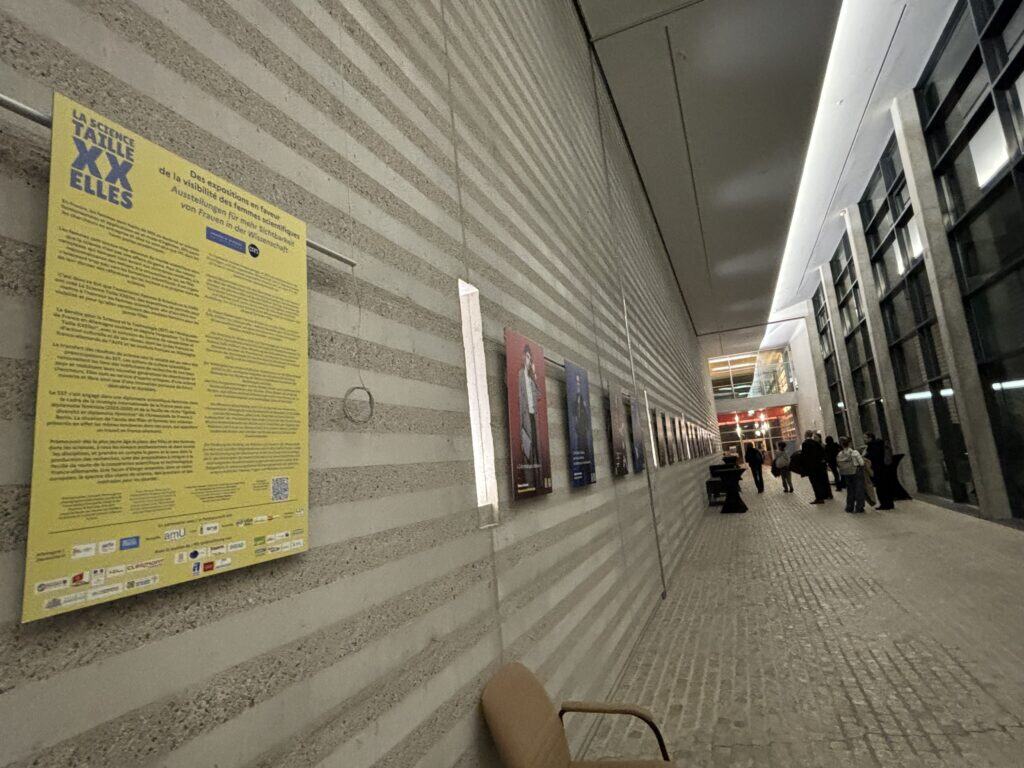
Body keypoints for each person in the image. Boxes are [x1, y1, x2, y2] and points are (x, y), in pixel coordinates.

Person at [836, 436, 866, 513]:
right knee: (859, 489)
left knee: (850, 490)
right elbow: (862, 463)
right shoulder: (854, 452)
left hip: (846, 473)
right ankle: (859, 507)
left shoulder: (840, 454)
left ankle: (849, 507)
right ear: (849, 444)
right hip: (856, 472)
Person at [863, 432, 893, 509]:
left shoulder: (872, 446)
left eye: (865, 438)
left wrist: (865, 456)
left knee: (880, 487)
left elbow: (871, 457)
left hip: (877, 469)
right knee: (886, 486)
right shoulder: (879, 444)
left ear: (870, 438)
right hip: (884, 468)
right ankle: (889, 503)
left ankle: (884, 504)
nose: (864, 439)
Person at [800, 430, 830, 504]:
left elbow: (804, 456)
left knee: (814, 483)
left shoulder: (805, 444)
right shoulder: (815, 443)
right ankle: (822, 496)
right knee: (819, 481)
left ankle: (819, 498)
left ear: (805, 435)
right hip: (818, 466)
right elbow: (821, 453)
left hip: (811, 467)